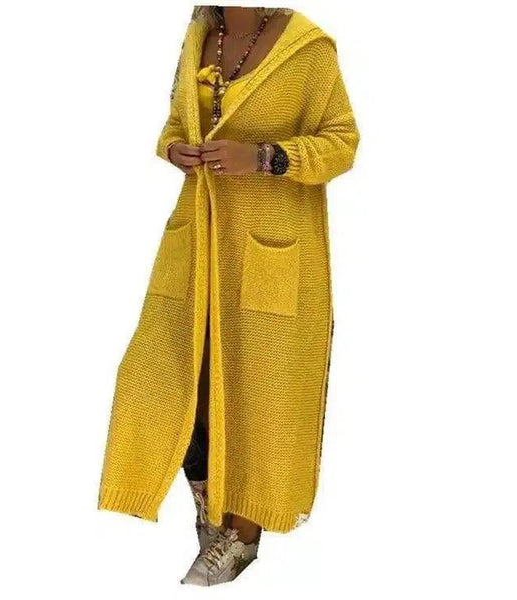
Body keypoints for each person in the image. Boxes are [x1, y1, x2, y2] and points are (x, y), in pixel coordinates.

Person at [98, 5, 360, 586]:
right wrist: (175, 150)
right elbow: (175, 125)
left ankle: (241, 534)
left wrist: (266, 157)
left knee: (256, 394)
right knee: (167, 378)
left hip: (271, 250)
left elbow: (343, 142)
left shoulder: (309, 49)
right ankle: (210, 507)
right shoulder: (199, 36)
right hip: (196, 242)